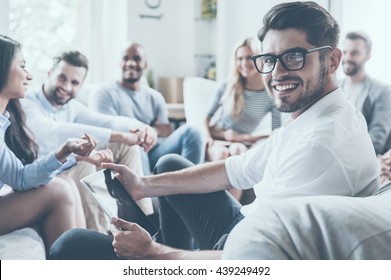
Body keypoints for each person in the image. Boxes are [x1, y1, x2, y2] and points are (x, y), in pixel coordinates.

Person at [50, 1, 380, 260]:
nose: (277, 73)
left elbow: (256, 263)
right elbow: (235, 170)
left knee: (71, 245)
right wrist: (142, 185)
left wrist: (152, 254)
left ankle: (164, 255)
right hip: (247, 228)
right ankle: (166, 244)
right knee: (168, 167)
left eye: (294, 57)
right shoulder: (314, 117)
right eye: (269, 59)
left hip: (242, 253)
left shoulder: (321, 146)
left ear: (333, 60)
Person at [20, 51, 158, 233]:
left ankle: (142, 224)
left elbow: (105, 120)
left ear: (81, 86)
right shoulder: (28, 103)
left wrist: (139, 126)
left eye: (74, 83)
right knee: (86, 162)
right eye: (62, 78)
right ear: (49, 74)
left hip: (67, 167)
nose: (67, 86)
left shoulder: (71, 107)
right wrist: (120, 135)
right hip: (46, 174)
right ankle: (100, 235)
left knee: (127, 147)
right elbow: (53, 132)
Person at [0, 35, 99, 254]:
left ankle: (86, 261)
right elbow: (21, 179)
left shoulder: (5, 118)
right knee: (59, 191)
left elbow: (20, 177)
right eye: (23, 66)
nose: (29, 75)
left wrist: (66, 151)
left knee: (65, 182)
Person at [88, 42, 204, 174]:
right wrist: (149, 132)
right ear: (120, 63)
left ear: (145, 64)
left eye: (137, 59)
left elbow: (165, 131)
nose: (131, 63)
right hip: (124, 153)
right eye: (126, 58)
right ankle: (146, 192)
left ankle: (190, 188)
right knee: (135, 143)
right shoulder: (104, 92)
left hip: (155, 152)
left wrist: (152, 132)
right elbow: (107, 131)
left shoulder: (155, 97)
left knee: (193, 131)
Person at [204, 37, 281, 163]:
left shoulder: (271, 94)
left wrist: (243, 137)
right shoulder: (226, 86)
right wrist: (208, 137)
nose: (244, 63)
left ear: (260, 59)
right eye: (240, 58)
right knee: (222, 154)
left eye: (249, 57)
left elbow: (276, 133)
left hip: (241, 142)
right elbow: (206, 117)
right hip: (217, 138)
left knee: (238, 152)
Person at [339, 31, 391, 155]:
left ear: (368, 56)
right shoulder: (333, 88)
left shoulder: (383, 92)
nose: (348, 58)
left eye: (355, 53)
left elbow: (377, 140)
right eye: (345, 52)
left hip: (360, 162)